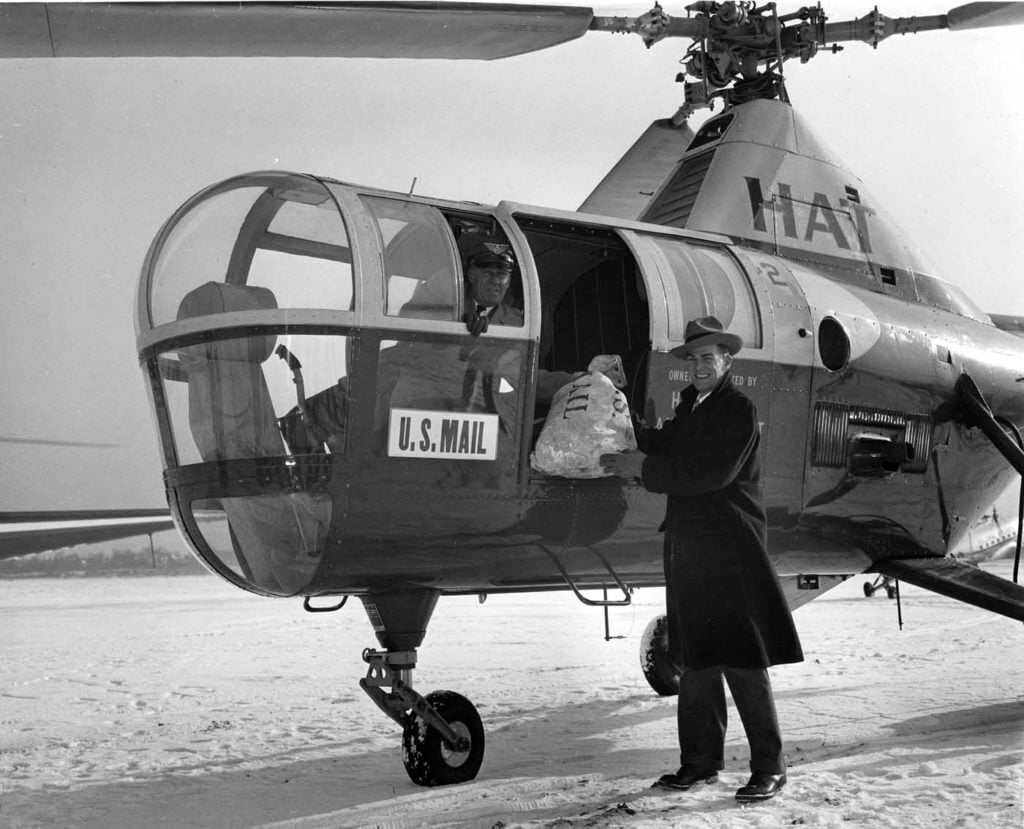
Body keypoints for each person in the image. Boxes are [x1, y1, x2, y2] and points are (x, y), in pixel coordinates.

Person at [600, 316, 803, 804]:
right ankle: (700, 763)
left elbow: (708, 473)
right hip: (691, 548)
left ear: (727, 361)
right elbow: (664, 442)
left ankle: (770, 768)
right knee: (695, 661)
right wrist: (616, 405)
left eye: (708, 357)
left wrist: (641, 469)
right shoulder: (692, 405)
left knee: (742, 660)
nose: (699, 366)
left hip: (730, 549)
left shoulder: (737, 409)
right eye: (692, 358)